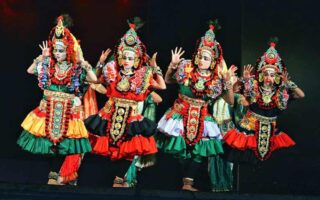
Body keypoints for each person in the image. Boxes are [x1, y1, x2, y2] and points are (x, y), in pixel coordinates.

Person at [84, 18, 166, 187]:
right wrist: (99, 63)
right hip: (111, 112)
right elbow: (94, 80)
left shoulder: (142, 75)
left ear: (136, 59)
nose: (127, 60)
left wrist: (155, 67)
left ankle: (119, 179)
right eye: (125, 57)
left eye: (130, 58)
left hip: (131, 115)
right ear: (120, 58)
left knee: (129, 147)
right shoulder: (112, 71)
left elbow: (162, 86)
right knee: (110, 146)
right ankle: (112, 179)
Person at [157, 20, 237, 191]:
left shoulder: (216, 78)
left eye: (206, 58)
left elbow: (230, 101)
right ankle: (179, 182)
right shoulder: (186, 66)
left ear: (213, 60)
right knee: (180, 148)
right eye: (200, 55)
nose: (201, 60)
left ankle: (189, 183)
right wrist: (172, 66)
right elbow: (168, 80)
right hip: (181, 112)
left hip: (202, 116)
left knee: (199, 151)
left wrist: (228, 83)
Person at [17, 15, 97, 184]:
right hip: (49, 109)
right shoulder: (48, 64)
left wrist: (83, 62)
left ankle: (62, 175)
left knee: (66, 145)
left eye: (60, 50)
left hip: (67, 111)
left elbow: (94, 79)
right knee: (48, 145)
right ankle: (52, 175)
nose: (57, 53)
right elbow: (30, 70)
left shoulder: (75, 68)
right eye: (55, 50)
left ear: (68, 50)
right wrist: (42, 56)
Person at [223, 38, 305, 163]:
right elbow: (235, 93)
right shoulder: (254, 88)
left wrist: (288, 83)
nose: (268, 78)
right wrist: (244, 80)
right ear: (261, 75)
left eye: (272, 75)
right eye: (266, 74)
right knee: (246, 161)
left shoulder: (280, 93)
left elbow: (301, 95)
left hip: (270, 132)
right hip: (250, 130)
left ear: (277, 77)